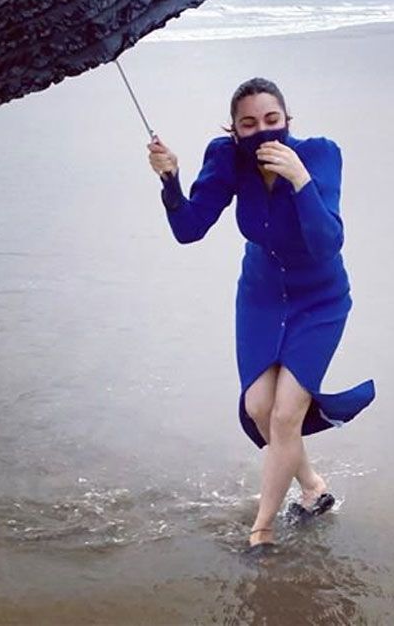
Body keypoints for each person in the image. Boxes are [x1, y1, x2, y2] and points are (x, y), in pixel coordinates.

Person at [147, 76, 375, 552]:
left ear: (288, 119)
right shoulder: (228, 158)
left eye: (272, 120)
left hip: (320, 297)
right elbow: (189, 229)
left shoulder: (319, 154)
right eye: (248, 124)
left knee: (286, 412)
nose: (262, 131)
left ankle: (262, 531)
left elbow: (327, 242)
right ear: (233, 130)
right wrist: (170, 180)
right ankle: (313, 487)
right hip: (261, 295)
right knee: (259, 409)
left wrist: (300, 180)